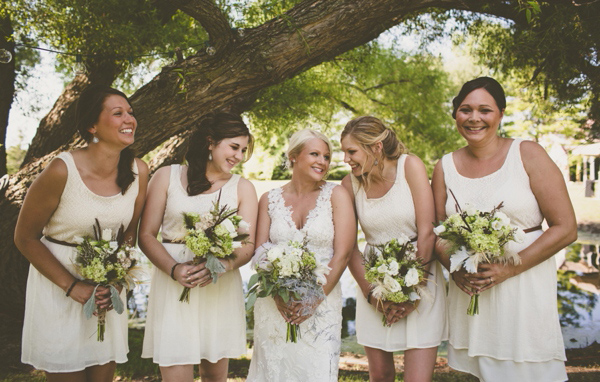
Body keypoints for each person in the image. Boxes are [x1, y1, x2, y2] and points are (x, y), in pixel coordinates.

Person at [431, 77, 577, 381]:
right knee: (488, 372)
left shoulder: (527, 153)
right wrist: (454, 268)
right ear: (455, 113)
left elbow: (565, 228)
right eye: (465, 109)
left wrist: (509, 269)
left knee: (533, 372)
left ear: (500, 114)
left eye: (485, 110)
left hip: (524, 284)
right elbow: (438, 233)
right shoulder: (444, 166)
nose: (474, 118)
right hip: (475, 291)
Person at [15, 85, 148, 381]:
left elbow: (129, 235)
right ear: (92, 125)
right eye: (118, 113)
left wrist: (118, 282)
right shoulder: (61, 171)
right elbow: (24, 237)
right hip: (57, 288)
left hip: (105, 292)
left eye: (130, 112)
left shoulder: (140, 171)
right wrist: (73, 286)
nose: (130, 119)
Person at [140, 112, 258, 382]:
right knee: (175, 370)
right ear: (210, 143)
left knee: (215, 376)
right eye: (233, 147)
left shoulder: (243, 188)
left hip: (217, 285)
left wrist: (223, 265)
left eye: (243, 149)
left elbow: (248, 244)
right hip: (173, 284)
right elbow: (146, 235)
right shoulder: (166, 177)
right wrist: (174, 269)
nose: (239, 155)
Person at [340, 116, 447, 382]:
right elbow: (350, 248)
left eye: (351, 151)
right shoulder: (349, 184)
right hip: (374, 281)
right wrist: (372, 295)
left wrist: (412, 291)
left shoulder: (410, 166)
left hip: (422, 279)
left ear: (376, 147)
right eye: (344, 151)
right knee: (381, 375)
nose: (345, 159)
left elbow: (427, 231)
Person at [246, 129, 356, 382]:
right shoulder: (269, 199)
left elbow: (343, 253)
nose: (322, 162)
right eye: (315, 154)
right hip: (275, 303)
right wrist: (277, 295)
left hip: (322, 300)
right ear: (293, 156)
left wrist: (313, 299)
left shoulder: (336, 195)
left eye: (327, 157)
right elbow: (260, 250)